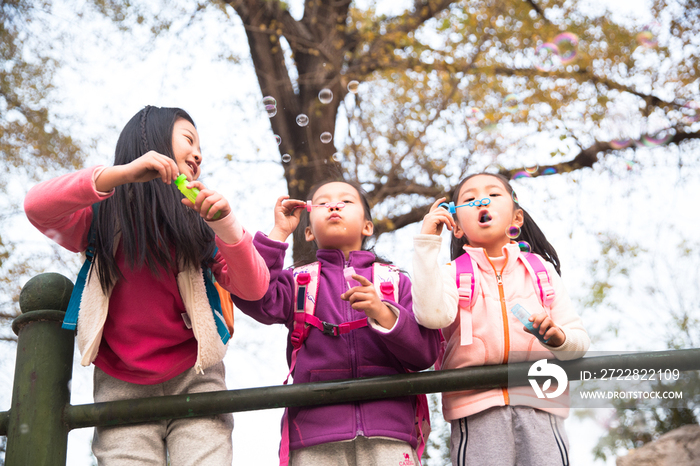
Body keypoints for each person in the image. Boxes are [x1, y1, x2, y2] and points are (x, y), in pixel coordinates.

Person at [24, 105, 269, 465]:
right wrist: (118, 175)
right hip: (120, 383)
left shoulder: (202, 223)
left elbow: (255, 289)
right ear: (149, 142)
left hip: (196, 375)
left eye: (200, 146)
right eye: (189, 139)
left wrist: (228, 227)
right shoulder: (98, 220)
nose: (199, 153)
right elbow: (37, 207)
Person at [232, 180, 441, 466]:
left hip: (389, 433)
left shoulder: (395, 282)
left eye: (346, 201)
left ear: (367, 226)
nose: (334, 205)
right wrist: (279, 232)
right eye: (323, 202)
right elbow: (253, 296)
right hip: (315, 437)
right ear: (307, 231)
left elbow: (424, 355)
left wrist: (383, 313)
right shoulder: (298, 281)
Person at [412, 173, 590, 466]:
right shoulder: (449, 274)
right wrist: (427, 241)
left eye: (494, 194)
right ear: (455, 226)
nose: (482, 200)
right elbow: (431, 316)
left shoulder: (540, 270)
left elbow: (579, 341)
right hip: (475, 409)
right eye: (469, 199)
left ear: (516, 218)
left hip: (541, 403)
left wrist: (559, 338)